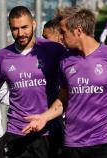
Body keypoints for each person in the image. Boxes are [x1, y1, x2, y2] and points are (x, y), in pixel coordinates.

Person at [23, 7, 107, 158]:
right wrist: (44, 117)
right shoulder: (65, 60)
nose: (61, 37)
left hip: (104, 142)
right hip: (72, 143)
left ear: (78, 30)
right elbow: (63, 99)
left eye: (63, 32)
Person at [0, 6, 65, 158]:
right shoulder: (3, 56)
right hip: (17, 132)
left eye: (25, 27)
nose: (20, 33)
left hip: (49, 131)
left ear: (34, 24)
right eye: (15, 29)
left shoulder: (53, 49)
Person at [42, 19, 64, 158]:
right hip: (51, 119)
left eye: (45, 37)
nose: (41, 41)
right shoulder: (46, 57)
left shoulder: (70, 58)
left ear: (59, 37)